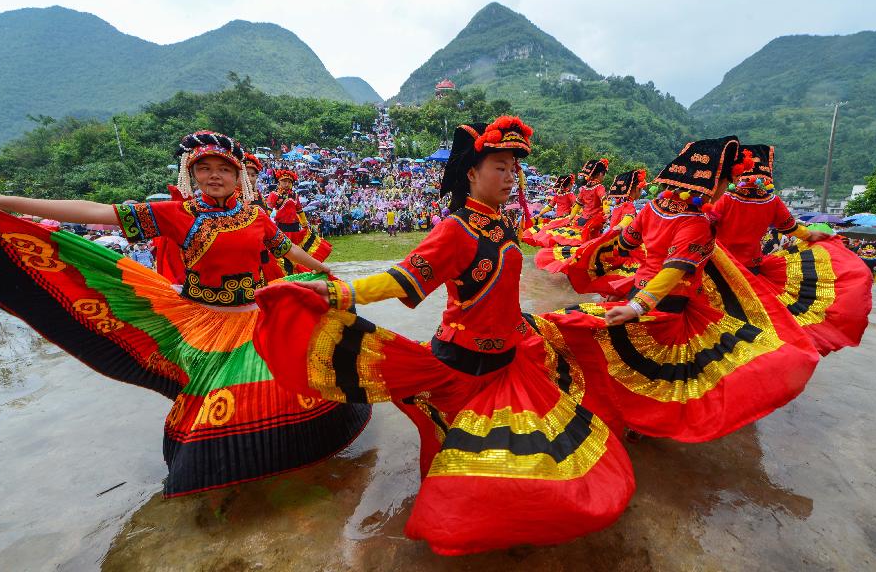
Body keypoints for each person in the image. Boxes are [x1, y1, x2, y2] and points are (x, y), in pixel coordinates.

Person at [252, 117, 634, 556]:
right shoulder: (455, 229)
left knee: (524, 446)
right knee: (459, 458)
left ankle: (501, 519)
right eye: (499, 167)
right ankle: (463, 526)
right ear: (471, 173)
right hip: (464, 364)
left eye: (514, 168)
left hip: (509, 357)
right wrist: (345, 290)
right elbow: (403, 277)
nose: (510, 177)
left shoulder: (500, 223)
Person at [0, 130, 371, 497]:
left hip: (256, 316)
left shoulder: (257, 217)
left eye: (224, 169)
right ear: (192, 174)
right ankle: (220, 477)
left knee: (290, 386)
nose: (214, 176)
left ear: (240, 177)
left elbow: (288, 250)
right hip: (201, 324)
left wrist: (323, 273)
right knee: (213, 405)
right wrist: (1, 201)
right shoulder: (173, 212)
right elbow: (96, 211)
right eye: (205, 169)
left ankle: (292, 465)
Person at [534, 136, 820, 443]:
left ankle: (625, 416)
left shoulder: (653, 209)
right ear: (713, 183)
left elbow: (623, 245)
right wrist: (638, 305)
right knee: (672, 372)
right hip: (677, 300)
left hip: (642, 291)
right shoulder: (701, 222)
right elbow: (676, 268)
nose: (727, 188)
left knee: (625, 359)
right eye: (725, 182)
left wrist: (592, 262)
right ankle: (650, 422)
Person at [710, 145, 871, 355]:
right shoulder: (771, 201)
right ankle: (756, 351)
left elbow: (707, 223)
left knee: (716, 313)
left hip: (719, 267)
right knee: (750, 313)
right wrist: (812, 235)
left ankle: (727, 354)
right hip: (752, 268)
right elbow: (791, 227)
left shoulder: (725, 199)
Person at [535, 168, 648, 297]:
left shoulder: (587, 191)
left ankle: (574, 273)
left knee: (585, 252)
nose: (641, 192)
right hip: (598, 228)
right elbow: (625, 216)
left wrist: (570, 218)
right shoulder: (613, 197)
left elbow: (576, 205)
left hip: (582, 222)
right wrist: (613, 220)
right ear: (600, 173)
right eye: (640, 189)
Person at [267, 168, 332, 274]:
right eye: (284, 181)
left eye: (289, 182)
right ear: (279, 182)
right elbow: (268, 211)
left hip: (295, 227)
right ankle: (286, 272)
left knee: (299, 250)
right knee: (286, 253)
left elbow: (299, 210)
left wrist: (305, 224)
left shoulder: (294, 195)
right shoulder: (274, 195)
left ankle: (303, 268)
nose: (287, 184)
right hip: (282, 228)